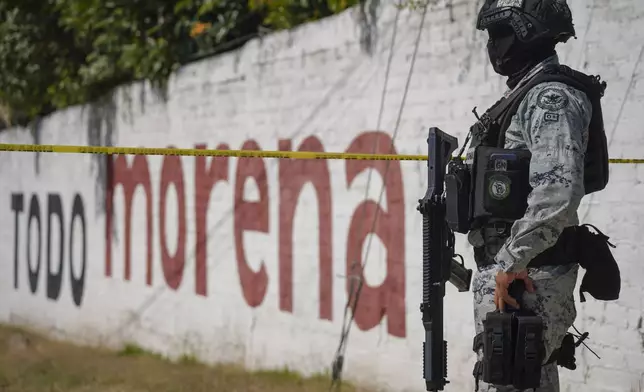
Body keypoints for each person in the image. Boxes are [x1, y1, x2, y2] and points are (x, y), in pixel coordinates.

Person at [466, 1, 595, 391]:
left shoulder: (548, 97)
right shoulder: (526, 94)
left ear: (529, 31)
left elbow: (558, 190)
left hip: (527, 276)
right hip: (518, 272)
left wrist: (511, 259)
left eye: (501, 34)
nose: (494, 46)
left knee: (515, 380)